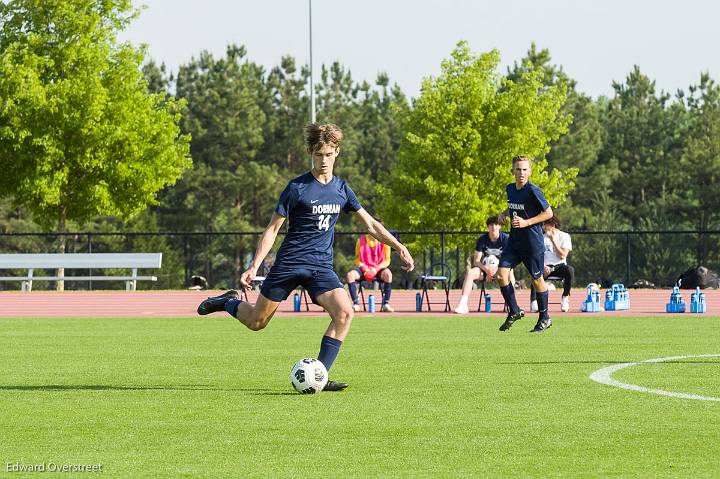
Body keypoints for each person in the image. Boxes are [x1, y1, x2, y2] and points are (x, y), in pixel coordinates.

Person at [196, 123, 414, 391]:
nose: (323, 160)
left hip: (320, 267)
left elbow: (371, 225)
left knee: (345, 313)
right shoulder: (297, 188)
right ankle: (227, 302)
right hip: (289, 263)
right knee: (256, 322)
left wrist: (399, 246)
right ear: (311, 153)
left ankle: (319, 375)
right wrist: (253, 266)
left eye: (328, 154)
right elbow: (273, 228)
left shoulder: (342, 189)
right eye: (318, 154)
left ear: (337, 153)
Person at [496, 155, 554, 332]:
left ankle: (545, 318)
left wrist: (526, 222)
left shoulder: (533, 190)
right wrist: (503, 213)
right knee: (501, 275)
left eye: (524, 169)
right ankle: (514, 310)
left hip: (532, 243)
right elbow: (515, 205)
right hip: (515, 241)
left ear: (530, 171)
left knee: (537, 280)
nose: (521, 172)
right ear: (512, 171)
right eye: (518, 169)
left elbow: (549, 213)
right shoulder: (510, 189)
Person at [453, 215, 514, 314]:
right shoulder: (482, 239)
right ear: (488, 227)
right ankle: (463, 304)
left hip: (500, 269)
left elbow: (510, 259)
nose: (493, 227)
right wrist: (487, 271)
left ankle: (512, 305)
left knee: (510, 272)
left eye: (496, 224)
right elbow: (476, 261)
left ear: (500, 226)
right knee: (470, 272)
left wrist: (496, 270)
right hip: (485, 270)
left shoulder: (506, 239)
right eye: (490, 225)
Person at [529, 216, 573, 313]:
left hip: (559, 267)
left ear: (553, 225)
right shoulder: (541, 238)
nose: (543, 227)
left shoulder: (565, 236)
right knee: (534, 270)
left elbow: (562, 255)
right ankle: (534, 302)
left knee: (569, 270)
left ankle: (565, 298)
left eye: (545, 224)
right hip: (544, 267)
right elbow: (537, 255)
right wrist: (543, 266)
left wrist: (553, 240)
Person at [346, 233, 395, 312]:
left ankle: (386, 304)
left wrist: (376, 269)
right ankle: (355, 304)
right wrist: (365, 268)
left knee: (388, 274)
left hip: (378, 269)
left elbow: (387, 260)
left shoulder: (385, 242)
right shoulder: (360, 240)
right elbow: (357, 259)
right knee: (350, 275)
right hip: (364, 269)